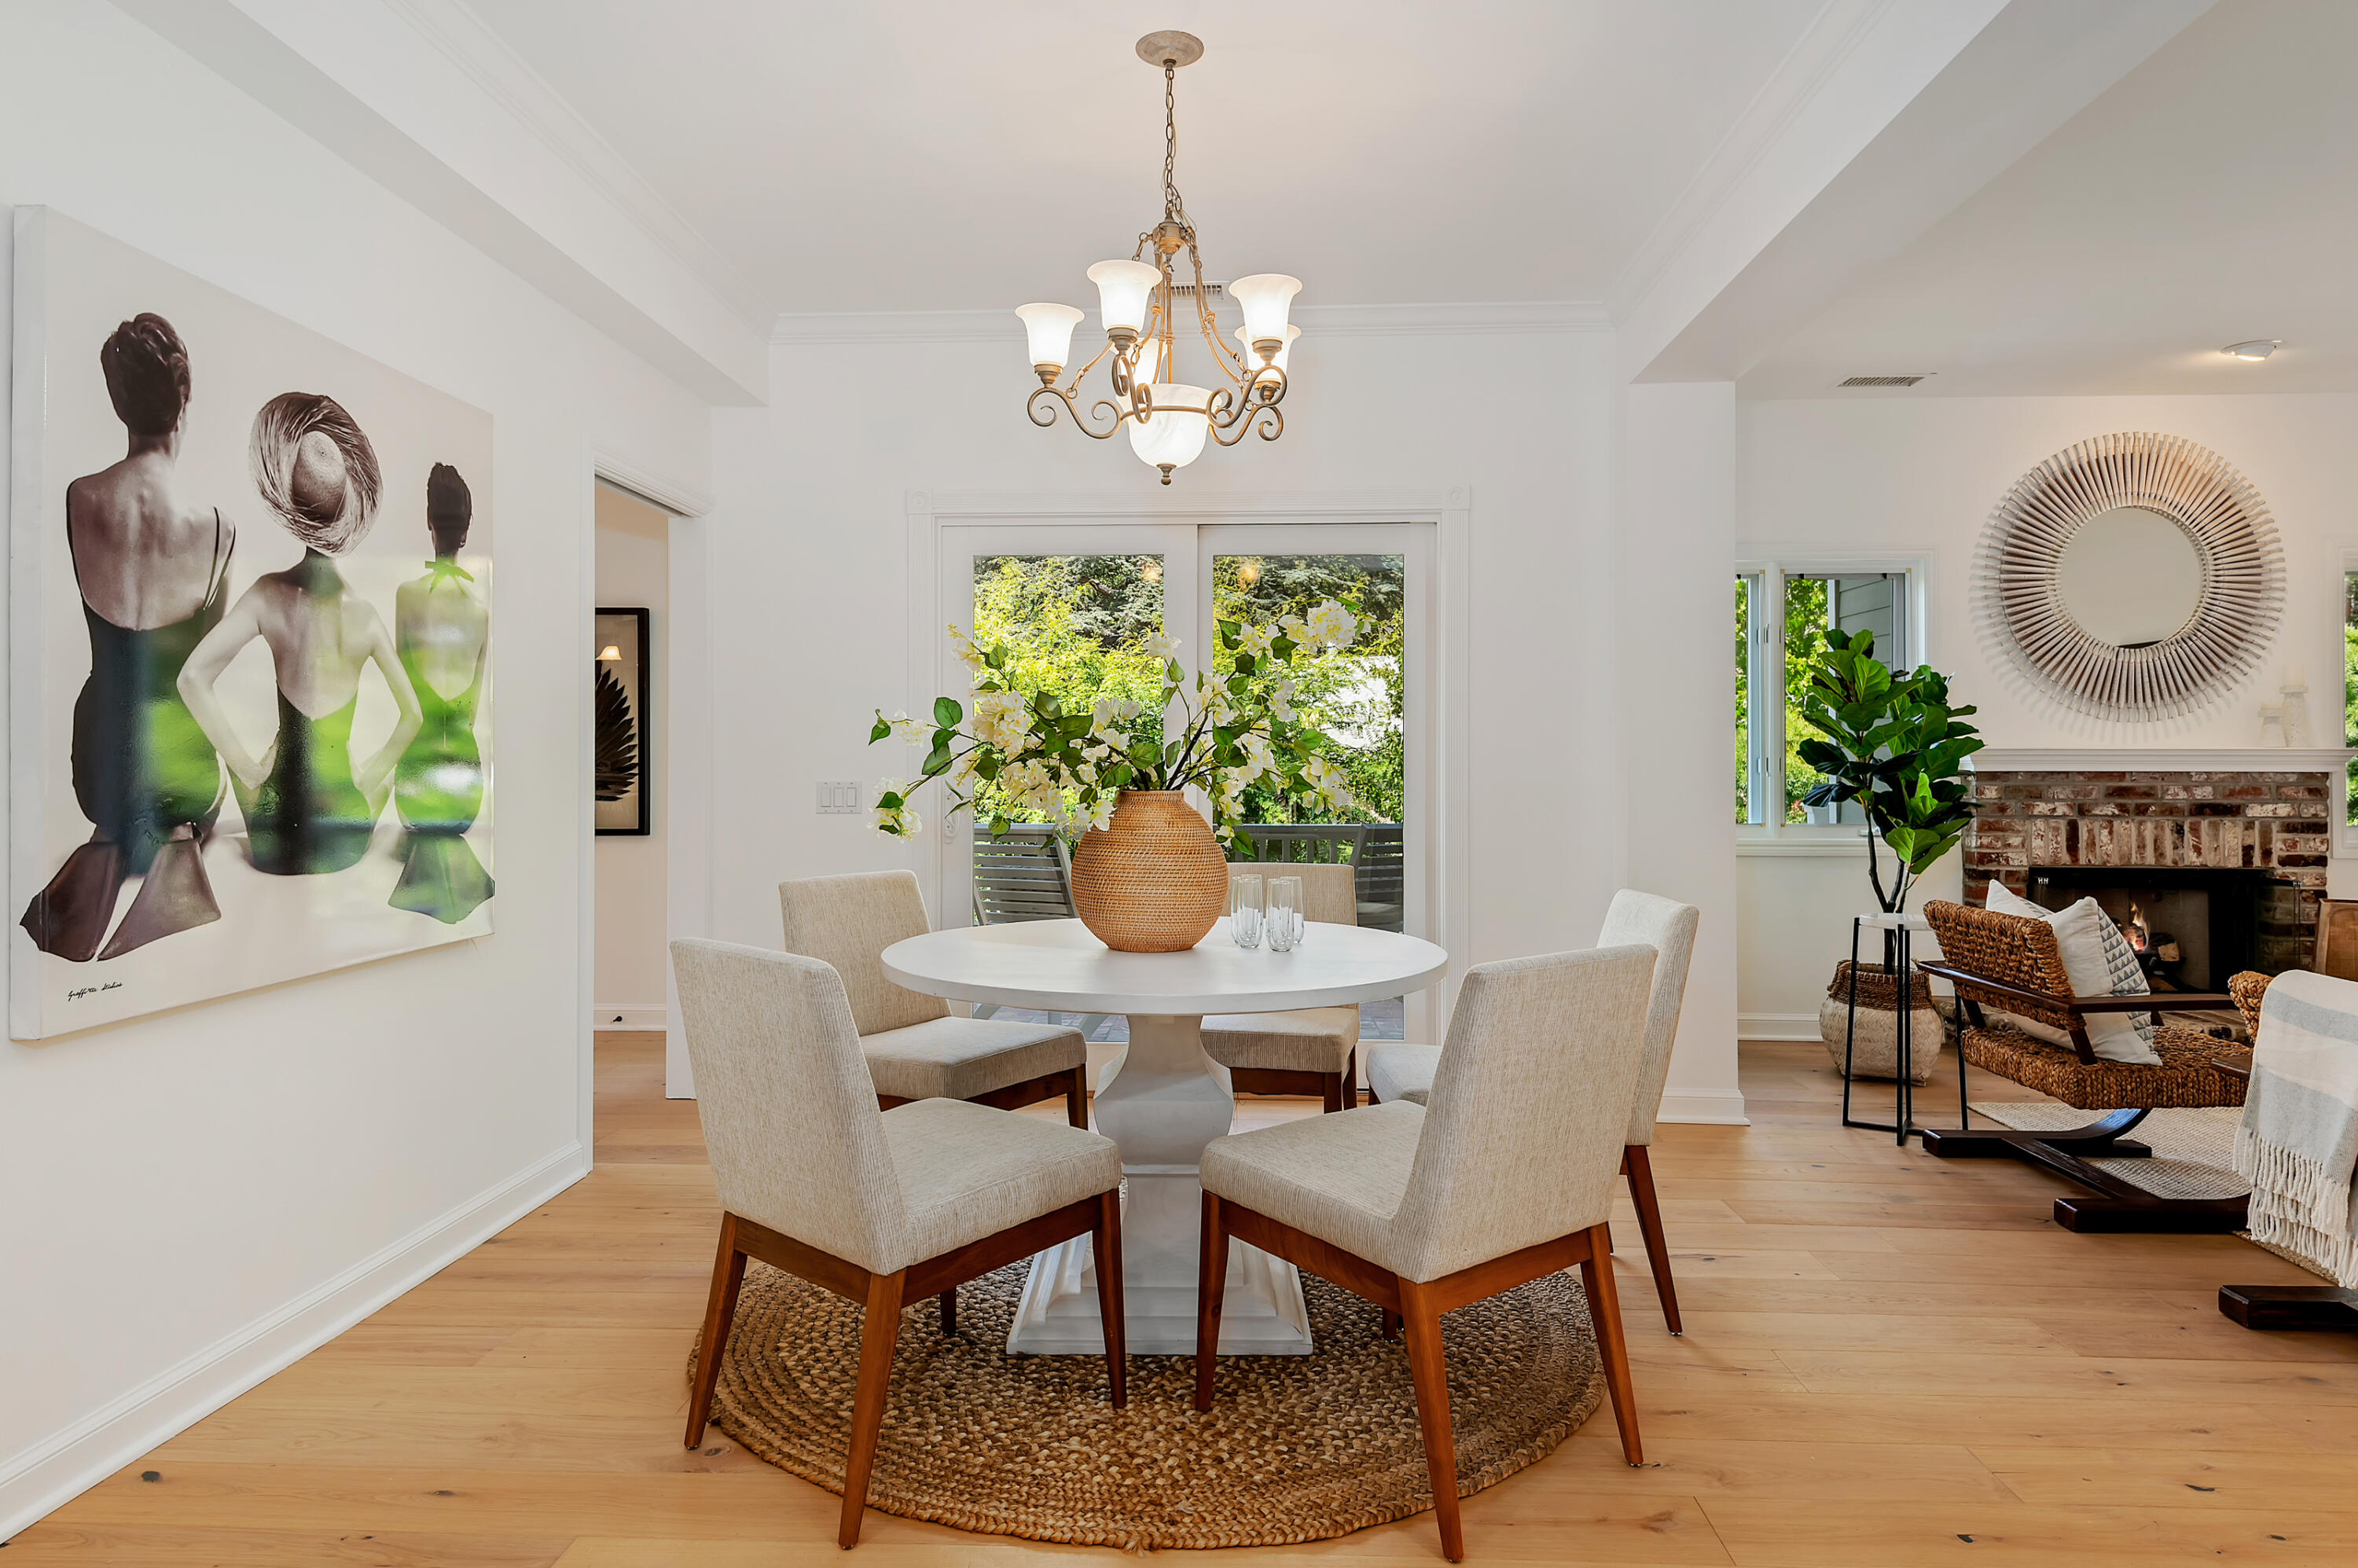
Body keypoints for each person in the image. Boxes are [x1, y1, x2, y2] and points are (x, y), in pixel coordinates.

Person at [20, 314, 234, 962]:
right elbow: (204, 671)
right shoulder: (217, 525)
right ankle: (176, 832)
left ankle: (117, 834)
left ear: (118, 401)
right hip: (186, 773)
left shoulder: (78, 498)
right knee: (196, 772)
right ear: (184, 397)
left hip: (101, 770)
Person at [178, 392, 421, 876]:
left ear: (291, 506)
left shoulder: (267, 595)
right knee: (377, 785)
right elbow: (411, 716)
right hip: (342, 841)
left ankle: (267, 780)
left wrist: (249, 770)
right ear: (345, 508)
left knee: (252, 765)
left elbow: (191, 679)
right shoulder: (367, 617)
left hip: (275, 841)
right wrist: (366, 774)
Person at [388, 462, 494, 922]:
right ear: (466, 533)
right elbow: (470, 715)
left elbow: (404, 698)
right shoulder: (482, 611)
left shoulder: (407, 596)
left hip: (418, 789)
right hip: (468, 792)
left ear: (429, 522)